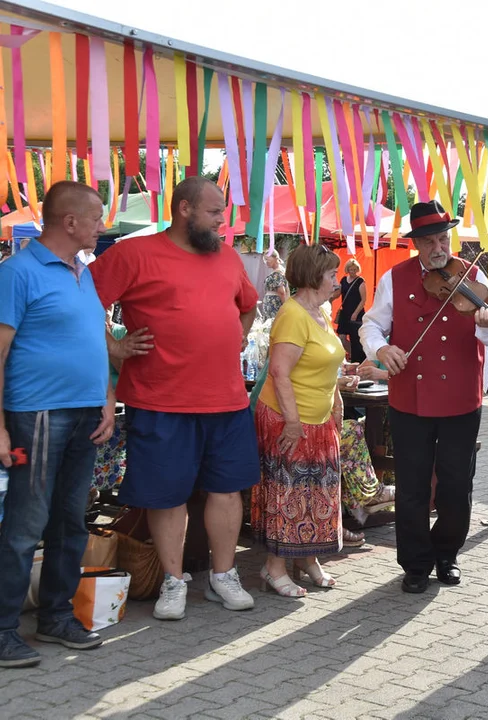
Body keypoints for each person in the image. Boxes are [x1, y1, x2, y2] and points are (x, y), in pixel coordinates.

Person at [90, 176, 260, 621]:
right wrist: (114, 347)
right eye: (214, 211)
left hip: (226, 400)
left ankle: (223, 577)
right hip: (160, 399)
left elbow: (249, 305)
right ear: (183, 209)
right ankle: (172, 579)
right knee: (167, 495)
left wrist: (236, 338)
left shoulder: (226, 257)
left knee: (228, 490)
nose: (222, 220)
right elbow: (81, 304)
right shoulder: (133, 254)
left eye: (223, 212)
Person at [360, 200, 488, 593]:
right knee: (413, 485)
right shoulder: (394, 278)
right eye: (430, 241)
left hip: (460, 399)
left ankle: (447, 554)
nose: (439, 248)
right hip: (411, 399)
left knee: (457, 484)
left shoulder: (471, 277)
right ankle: (416, 564)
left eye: (443, 239)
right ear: (417, 245)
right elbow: (370, 326)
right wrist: (381, 350)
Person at [0, 182, 115, 668]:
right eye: (94, 218)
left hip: (85, 415)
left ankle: (55, 615)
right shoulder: (17, 273)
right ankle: (4, 629)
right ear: (69, 222)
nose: (101, 226)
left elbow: (95, 340)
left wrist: (107, 399)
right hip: (37, 418)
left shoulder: (80, 272)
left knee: (70, 520)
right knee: (26, 522)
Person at [251, 244, 346, 597]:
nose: (336, 280)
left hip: (318, 418)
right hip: (289, 418)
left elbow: (327, 363)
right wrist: (292, 422)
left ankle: (308, 560)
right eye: (331, 273)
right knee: (287, 491)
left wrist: (337, 400)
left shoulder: (320, 310)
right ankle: (274, 567)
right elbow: (279, 371)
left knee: (317, 492)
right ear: (313, 276)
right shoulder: (292, 313)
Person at [336, 259, 367, 363]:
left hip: (356, 313)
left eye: (354, 269)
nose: (353, 271)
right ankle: (352, 354)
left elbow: (363, 300)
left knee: (355, 339)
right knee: (341, 337)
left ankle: (357, 359)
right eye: (350, 269)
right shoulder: (343, 280)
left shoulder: (360, 281)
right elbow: (338, 293)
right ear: (347, 269)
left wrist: (355, 313)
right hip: (345, 312)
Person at [262, 249, 288, 319]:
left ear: (275, 258)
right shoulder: (278, 271)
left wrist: (285, 307)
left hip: (274, 305)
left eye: (267, 259)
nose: (266, 262)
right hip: (271, 305)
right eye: (265, 260)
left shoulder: (277, 273)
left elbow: (282, 292)